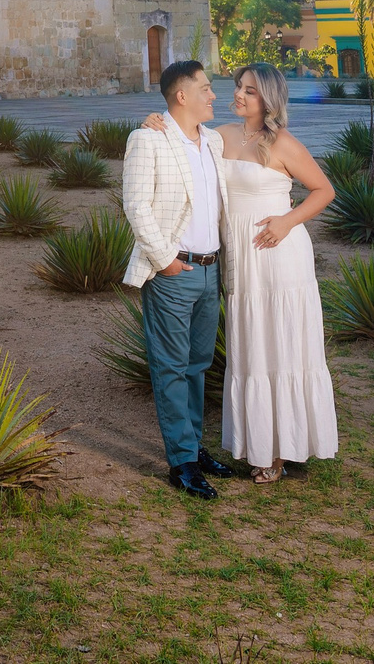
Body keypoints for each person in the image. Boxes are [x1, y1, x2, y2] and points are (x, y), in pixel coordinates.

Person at [148, 62, 338, 479]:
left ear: (267, 99)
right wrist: (155, 120)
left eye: (249, 91)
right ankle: (259, 441)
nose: (237, 94)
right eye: (238, 87)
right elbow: (182, 139)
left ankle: (281, 450)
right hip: (238, 262)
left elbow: (324, 190)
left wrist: (286, 222)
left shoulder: (283, 143)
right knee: (251, 348)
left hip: (279, 258)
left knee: (282, 347)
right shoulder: (217, 138)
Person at [119, 59, 238, 498]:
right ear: (181, 96)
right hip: (174, 271)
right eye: (206, 88)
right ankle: (182, 463)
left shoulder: (213, 141)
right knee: (170, 368)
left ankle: (194, 447)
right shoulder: (147, 139)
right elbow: (136, 206)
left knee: (196, 366)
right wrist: (166, 260)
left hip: (210, 271)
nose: (214, 95)